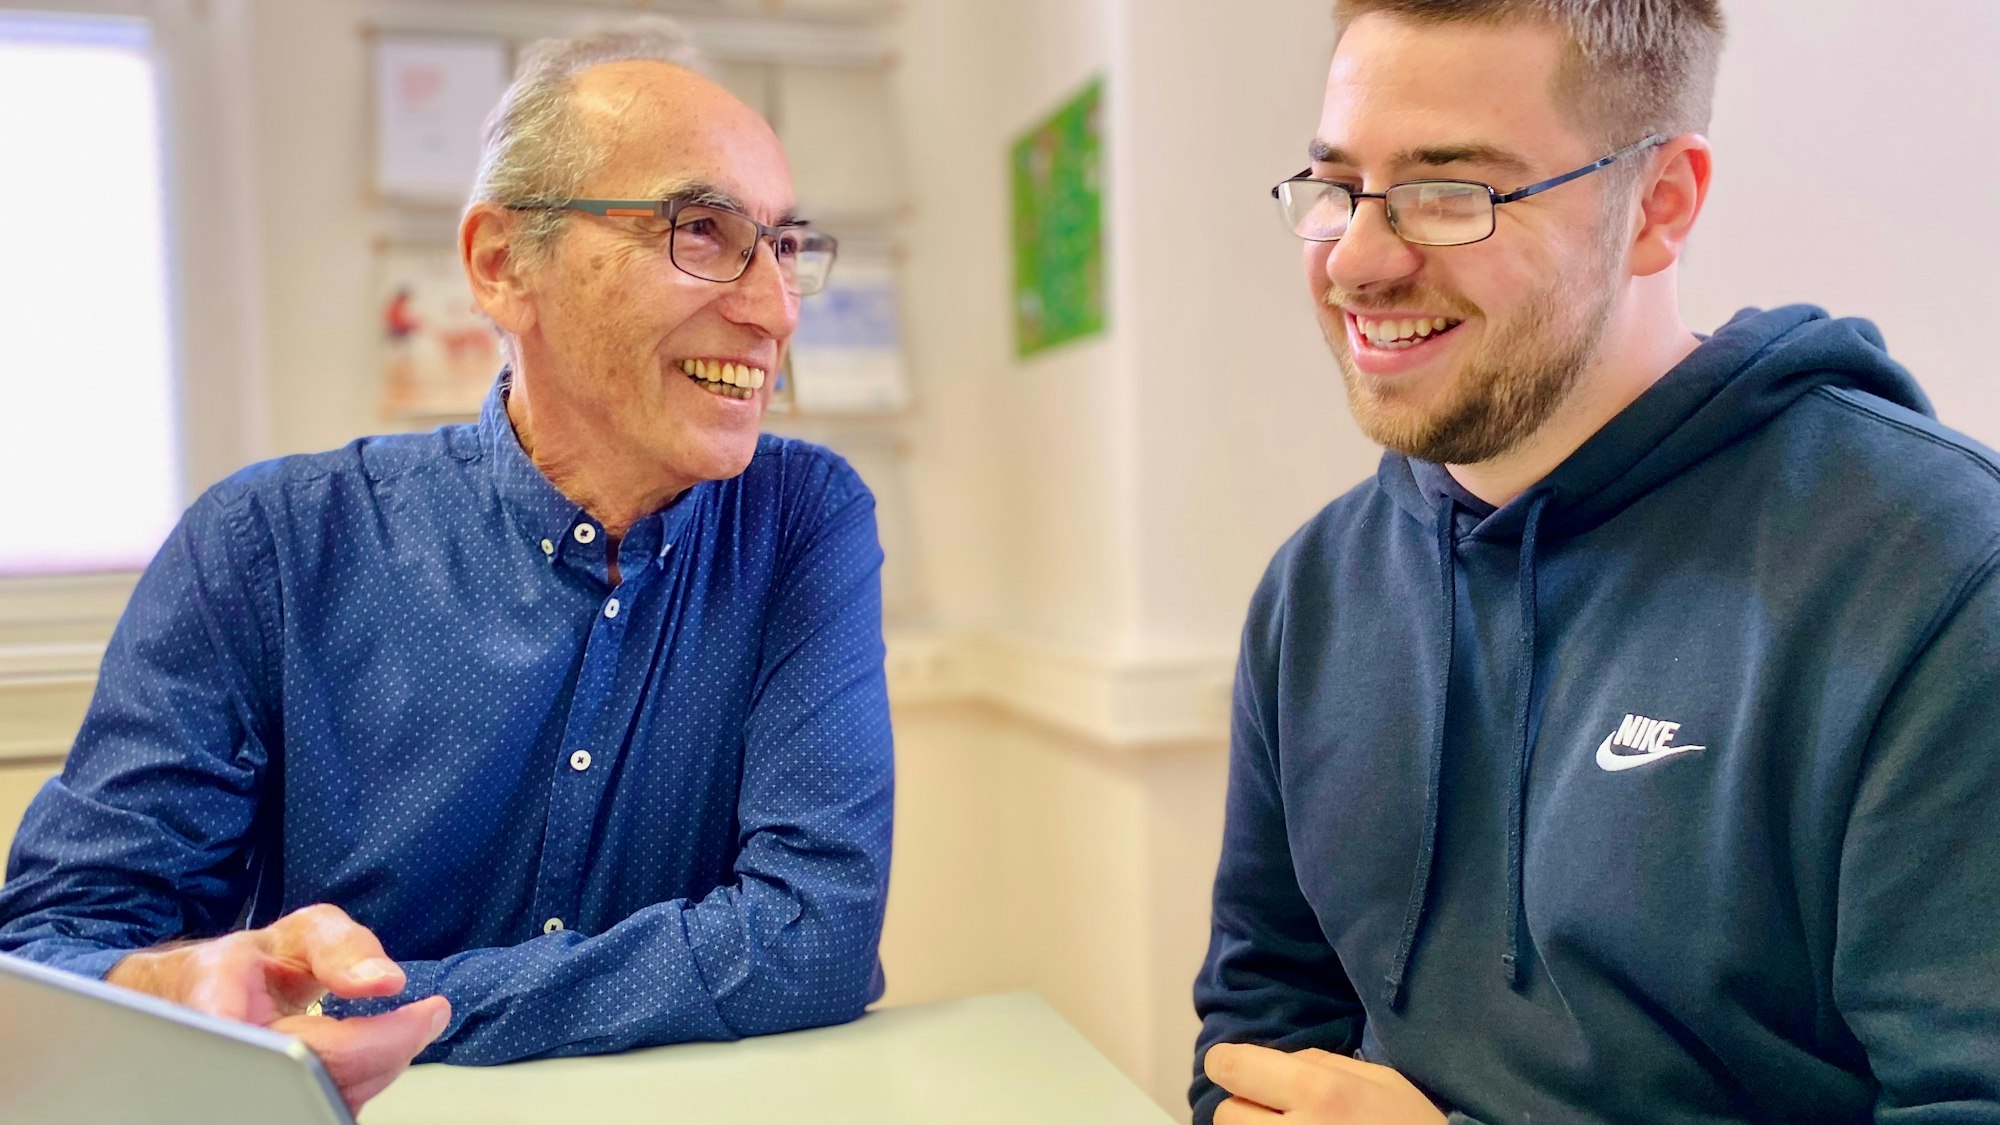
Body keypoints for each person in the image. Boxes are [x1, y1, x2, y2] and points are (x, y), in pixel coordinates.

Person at [0, 20, 892, 1113]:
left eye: (784, 244)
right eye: (699, 231)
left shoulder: (800, 518)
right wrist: (169, 980)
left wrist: (384, 1007)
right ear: (500, 263)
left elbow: (814, 940)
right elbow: (52, 951)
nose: (774, 308)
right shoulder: (269, 545)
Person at [1191, 2, 2000, 1122]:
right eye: (1335, 187)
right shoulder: (1317, 586)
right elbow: (1261, 1022)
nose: (1360, 261)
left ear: (1658, 206)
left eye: (1448, 192)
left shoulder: (1939, 572)